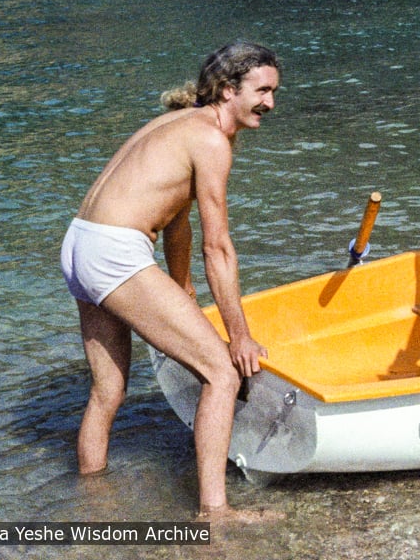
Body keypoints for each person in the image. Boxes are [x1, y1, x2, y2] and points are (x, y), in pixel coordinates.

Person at [60, 42, 281, 519]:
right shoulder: (211, 141)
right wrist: (238, 335)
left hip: (79, 243)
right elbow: (217, 247)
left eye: (273, 92)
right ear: (228, 90)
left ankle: (89, 504)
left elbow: (177, 221)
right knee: (221, 373)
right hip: (115, 252)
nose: (270, 103)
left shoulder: (178, 123)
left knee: (108, 391)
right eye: (262, 91)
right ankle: (214, 511)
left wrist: (181, 288)